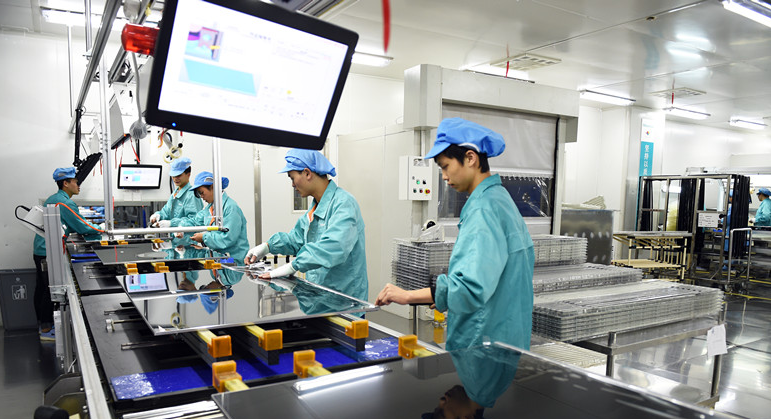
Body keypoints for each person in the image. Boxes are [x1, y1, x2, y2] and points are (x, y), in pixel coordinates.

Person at [375, 118, 535, 352]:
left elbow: (470, 289)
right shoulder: (500, 200)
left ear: (470, 158)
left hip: (481, 345)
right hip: (506, 338)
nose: (443, 176)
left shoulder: (483, 210)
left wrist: (408, 296)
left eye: (445, 166)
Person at [246, 149, 369, 301]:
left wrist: (293, 266)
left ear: (307, 173)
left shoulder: (344, 203)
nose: (292, 184)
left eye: (292, 178)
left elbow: (334, 246)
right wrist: (267, 246)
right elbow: (296, 239)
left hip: (344, 300)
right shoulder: (314, 208)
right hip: (319, 296)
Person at [33, 167, 105, 341]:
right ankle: (46, 329)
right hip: (48, 251)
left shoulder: (54, 199)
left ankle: (43, 325)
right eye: (76, 182)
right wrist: (102, 229)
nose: (78, 185)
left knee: (42, 288)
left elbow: (70, 224)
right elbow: (80, 225)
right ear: (66, 183)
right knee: (49, 289)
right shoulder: (64, 202)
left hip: (41, 249)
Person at [174, 171, 249, 264]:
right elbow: (195, 221)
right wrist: (181, 228)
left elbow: (228, 238)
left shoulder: (231, 207)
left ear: (213, 187)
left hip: (233, 261)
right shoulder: (210, 208)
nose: (201, 197)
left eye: (202, 192)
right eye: (199, 194)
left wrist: (203, 237)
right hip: (219, 259)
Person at [150, 157, 202, 247]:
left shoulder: (191, 195)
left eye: (178, 175)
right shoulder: (176, 192)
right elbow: (166, 211)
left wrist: (171, 223)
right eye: (173, 176)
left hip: (188, 243)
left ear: (188, 174)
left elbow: (195, 220)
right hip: (175, 242)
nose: (175, 179)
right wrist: (158, 215)